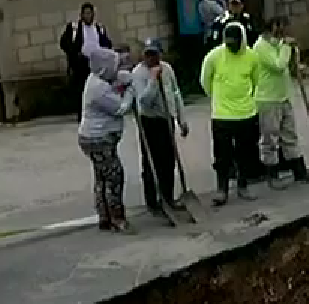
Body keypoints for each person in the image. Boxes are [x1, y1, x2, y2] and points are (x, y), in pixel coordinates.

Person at [200, 21, 261, 205]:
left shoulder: (252, 57)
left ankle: (243, 186)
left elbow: (255, 81)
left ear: (241, 40)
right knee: (222, 156)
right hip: (222, 116)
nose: (231, 46)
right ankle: (222, 189)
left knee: (245, 154)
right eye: (228, 43)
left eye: (235, 43)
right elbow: (205, 81)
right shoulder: (214, 56)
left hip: (246, 114)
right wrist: (217, 98)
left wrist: (247, 100)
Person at [129, 38, 189, 220]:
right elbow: (144, 101)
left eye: (154, 54)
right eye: (147, 54)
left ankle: (168, 197)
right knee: (151, 162)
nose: (150, 58)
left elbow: (175, 93)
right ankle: (153, 201)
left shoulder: (167, 69)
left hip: (166, 120)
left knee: (168, 161)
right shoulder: (138, 73)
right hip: (149, 121)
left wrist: (181, 119)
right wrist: (154, 80)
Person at [77, 47, 136, 232]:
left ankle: (104, 217)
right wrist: (130, 93)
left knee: (102, 177)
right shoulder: (98, 89)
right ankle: (117, 218)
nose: (116, 68)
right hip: (98, 139)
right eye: (113, 65)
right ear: (104, 67)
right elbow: (121, 108)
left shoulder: (97, 79)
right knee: (114, 176)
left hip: (93, 138)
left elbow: (116, 80)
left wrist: (125, 78)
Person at [253, 19, 309, 186]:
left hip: (283, 96)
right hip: (268, 99)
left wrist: (292, 49)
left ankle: (299, 172)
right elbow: (279, 65)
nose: (281, 32)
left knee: (290, 135)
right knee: (270, 138)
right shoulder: (261, 47)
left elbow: (289, 64)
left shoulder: (275, 44)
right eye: (277, 29)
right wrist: (286, 47)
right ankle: (272, 175)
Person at [59, 3, 112, 121]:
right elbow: (64, 43)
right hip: (81, 65)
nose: (88, 16)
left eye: (90, 13)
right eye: (86, 13)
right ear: (82, 15)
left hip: (96, 65)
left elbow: (107, 44)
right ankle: (83, 115)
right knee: (82, 91)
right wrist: (75, 55)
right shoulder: (74, 28)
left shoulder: (99, 28)